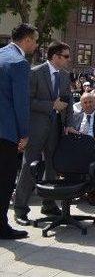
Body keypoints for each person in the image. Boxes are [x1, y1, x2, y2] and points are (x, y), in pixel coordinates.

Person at [14, 41, 72, 226]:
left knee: (52, 168)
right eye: (66, 56)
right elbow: (26, 101)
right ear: (55, 56)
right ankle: (20, 209)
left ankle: (49, 204)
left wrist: (68, 124)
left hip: (56, 128)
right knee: (28, 167)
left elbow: (68, 101)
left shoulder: (64, 76)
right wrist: (51, 105)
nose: (68, 60)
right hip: (36, 128)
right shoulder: (35, 72)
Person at [0, 23, 38, 239]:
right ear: (26, 40)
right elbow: (21, 103)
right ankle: (1, 226)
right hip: (7, 133)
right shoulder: (19, 63)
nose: (36, 44)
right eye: (35, 40)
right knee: (5, 181)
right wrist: (24, 134)